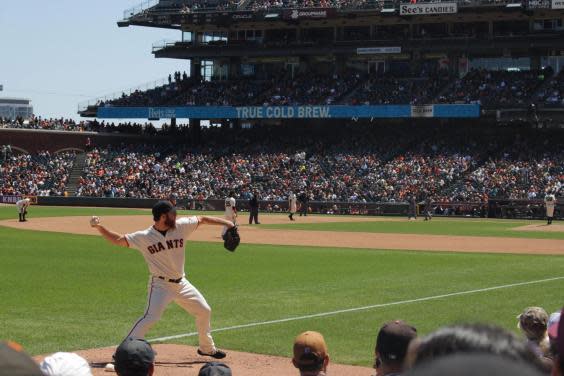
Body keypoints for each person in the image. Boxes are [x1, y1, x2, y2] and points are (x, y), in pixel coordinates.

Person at [90, 200, 234, 359]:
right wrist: (99, 227)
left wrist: (228, 224)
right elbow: (118, 240)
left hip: (182, 283)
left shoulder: (181, 226)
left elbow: (202, 219)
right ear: (163, 216)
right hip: (160, 285)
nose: (176, 214)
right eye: (173, 213)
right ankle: (122, 352)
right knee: (150, 317)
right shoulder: (145, 237)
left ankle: (206, 348)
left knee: (204, 310)